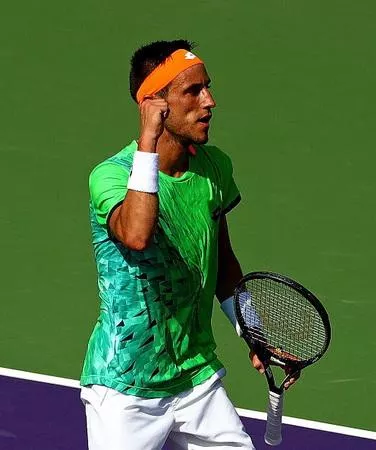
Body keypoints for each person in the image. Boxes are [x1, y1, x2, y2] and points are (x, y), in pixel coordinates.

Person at [79, 39, 297, 450]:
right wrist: (148, 141)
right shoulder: (110, 176)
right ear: (154, 105)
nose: (209, 101)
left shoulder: (214, 168)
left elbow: (223, 261)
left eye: (207, 87)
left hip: (196, 379)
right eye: (192, 91)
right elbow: (137, 235)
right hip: (127, 387)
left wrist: (252, 331)